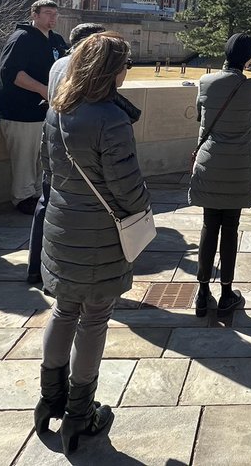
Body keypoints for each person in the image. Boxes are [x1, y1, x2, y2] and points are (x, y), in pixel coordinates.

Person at [36, 32, 151, 454]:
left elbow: (47, 168)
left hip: (63, 223)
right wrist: (145, 207)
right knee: (94, 317)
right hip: (99, 232)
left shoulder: (58, 110)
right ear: (110, 71)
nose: (126, 72)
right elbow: (126, 187)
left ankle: (50, 398)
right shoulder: (110, 118)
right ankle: (80, 412)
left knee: (64, 309)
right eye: (124, 65)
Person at [190, 33, 251, 317]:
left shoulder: (206, 82)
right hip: (238, 165)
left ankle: (201, 292)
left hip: (210, 163)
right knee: (231, 227)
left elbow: (201, 118)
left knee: (209, 226)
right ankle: (226, 292)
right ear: (248, 58)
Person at [25, 22, 109, 286]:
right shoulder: (85, 67)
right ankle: (67, 273)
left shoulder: (58, 64)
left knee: (46, 202)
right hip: (78, 145)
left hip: (53, 139)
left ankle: (36, 268)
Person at [0, 0, 69, 214]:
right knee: (24, 157)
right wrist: (43, 89)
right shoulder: (22, 38)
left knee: (42, 156)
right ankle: (23, 197)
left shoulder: (56, 40)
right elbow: (12, 73)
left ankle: (38, 194)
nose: (52, 18)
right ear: (34, 15)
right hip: (20, 110)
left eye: (55, 14)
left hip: (46, 111)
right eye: (47, 13)